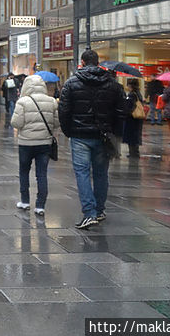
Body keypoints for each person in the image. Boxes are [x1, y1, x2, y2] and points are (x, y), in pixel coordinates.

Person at [58, 49, 126, 230]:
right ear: (98, 63)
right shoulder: (113, 84)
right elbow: (121, 112)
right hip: (103, 135)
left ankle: (89, 213)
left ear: (81, 62)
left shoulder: (71, 83)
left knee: (82, 173)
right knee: (101, 173)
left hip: (79, 135)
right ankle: (99, 210)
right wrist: (115, 133)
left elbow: (63, 110)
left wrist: (68, 131)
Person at [10, 74, 59, 216]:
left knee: (24, 172)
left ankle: (25, 201)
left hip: (26, 143)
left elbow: (16, 123)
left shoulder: (23, 102)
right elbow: (56, 123)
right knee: (41, 174)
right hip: (45, 143)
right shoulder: (51, 102)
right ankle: (40, 206)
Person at [123, 78, 145, 158]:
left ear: (130, 85)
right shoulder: (138, 93)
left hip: (132, 118)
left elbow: (129, 106)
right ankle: (135, 152)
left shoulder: (132, 94)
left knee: (131, 135)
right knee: (135, 135)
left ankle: (133, 153)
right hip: (137, 119)